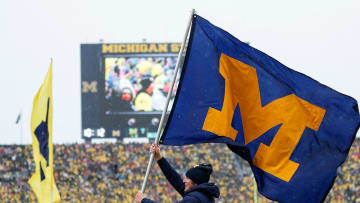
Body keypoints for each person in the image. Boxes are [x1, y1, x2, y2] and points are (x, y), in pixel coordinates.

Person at [135, 144, 220, 203]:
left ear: (195, 182)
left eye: (188, 178)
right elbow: (175, 179)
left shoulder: (194, 199)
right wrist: (159, 158)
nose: (184, 180)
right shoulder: (200, 194)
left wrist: (144, 200)